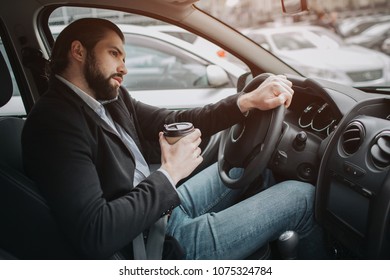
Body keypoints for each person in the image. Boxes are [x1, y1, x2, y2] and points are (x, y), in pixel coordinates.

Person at [22, 18, 317, 260]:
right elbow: (96, 234)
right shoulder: (54, 123)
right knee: (303, 198)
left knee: (253, 166)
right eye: (114, 54)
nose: (124, 67)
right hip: (151, 248)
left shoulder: (109, 100)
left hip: (159, 214)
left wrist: (245, 102)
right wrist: (169, 174)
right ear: (78, 51)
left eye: (124, 57)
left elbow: (173, 120)